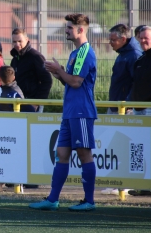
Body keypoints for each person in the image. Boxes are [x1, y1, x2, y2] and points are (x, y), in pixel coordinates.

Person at [29, 14, 97, 211]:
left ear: (80, 30)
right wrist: (58, 72)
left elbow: (76, 82)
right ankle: (52, 199)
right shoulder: (75, 53)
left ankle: (89, 201)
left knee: (84, 154)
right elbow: (70, 80)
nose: (66, 30)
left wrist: (60, 70)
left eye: (69, 27)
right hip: (70, 112)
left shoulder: (85, 52)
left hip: (81, 111)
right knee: (61, 154)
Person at [101, 24, 142, 195]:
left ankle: (125, 184)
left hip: (124, 108)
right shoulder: (124, 54)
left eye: (112, 40)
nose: (110, 43)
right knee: (115, 145)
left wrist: (127, 104)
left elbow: (136, 82)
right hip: (116, 106)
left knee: (124, 145)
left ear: (123, 39)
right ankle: (118, 182)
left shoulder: (133, 55)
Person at [128, 26, 151, 197]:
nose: (143, 41)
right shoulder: (141, 59)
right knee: (140, 148)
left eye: (146, 38)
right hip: (139, 109)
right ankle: (143, 185)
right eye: (140, 38)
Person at [10, 28, 52, 112]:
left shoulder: (35, 57)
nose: (17, 44)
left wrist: (37, 102)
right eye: (14, 42)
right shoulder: (15, 59)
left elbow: (47, 80)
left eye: (19, 41)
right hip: (18, 102)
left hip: (32, 102)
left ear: (26, 40)